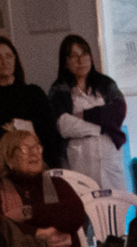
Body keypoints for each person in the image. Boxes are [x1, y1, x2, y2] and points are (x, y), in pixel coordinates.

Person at [47, 34, 128, 192]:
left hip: (109, 158)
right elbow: (64, 125)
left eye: (84, 54)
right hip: (80, 161)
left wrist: (85, 115)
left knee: (116, 207)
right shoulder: (59, 89)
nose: (81, 60)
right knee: (85, 206)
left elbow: (118, 112)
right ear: (65, 62)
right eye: (74, 56)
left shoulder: (106, 84)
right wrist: (102, 127)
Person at [0, 124, 91, 247]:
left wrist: (27, 212)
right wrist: (37, 233)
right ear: (8, 159)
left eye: (37, 148)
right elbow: (0, 224)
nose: (34, 153)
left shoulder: (56, 184)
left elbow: (76, 213)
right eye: (25, 148)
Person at [0, 34, 53, 168]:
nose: (5, 62)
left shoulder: (34, 93)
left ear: (15, 59)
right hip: (0, 166)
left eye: (9, 56)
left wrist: (12, 129)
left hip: (35, 164)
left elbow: (48, 134)